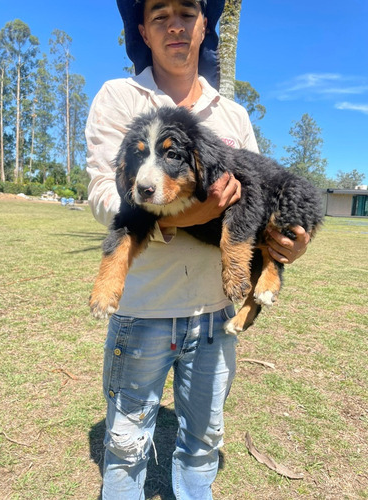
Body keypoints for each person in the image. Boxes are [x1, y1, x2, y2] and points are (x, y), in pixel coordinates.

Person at [85, 1, 310, 498]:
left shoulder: (231, 113)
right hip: (143, 310)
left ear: (204, 23)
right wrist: (197, 212)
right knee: (124, 445)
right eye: (159, 14)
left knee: (204, 442)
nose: (174, 25)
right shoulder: (120, 97)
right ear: (143, 29)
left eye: (186, 11)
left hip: (214, 315)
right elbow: (106, 194)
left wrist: (291, 244)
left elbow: (259, 193)